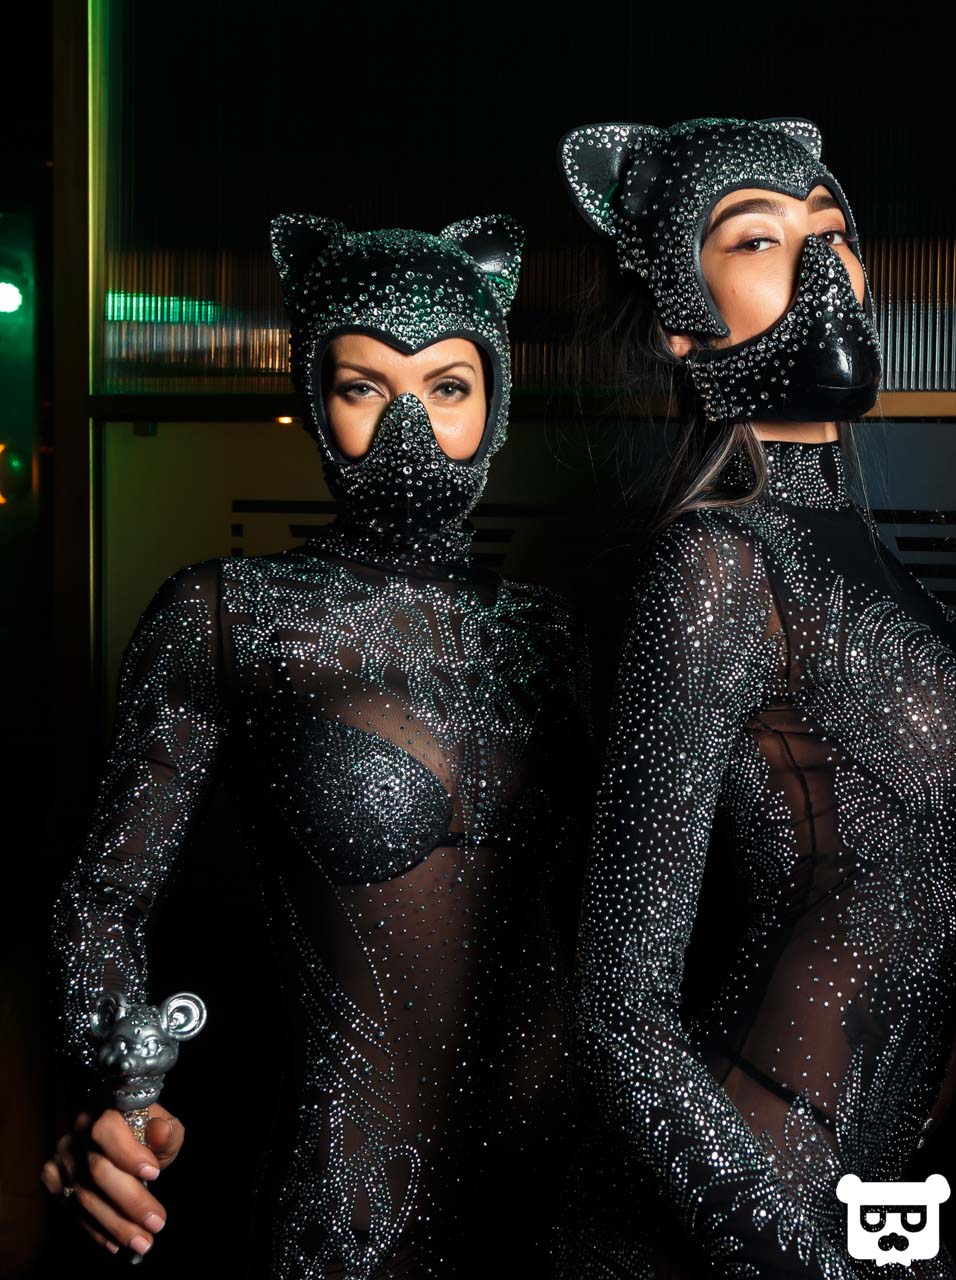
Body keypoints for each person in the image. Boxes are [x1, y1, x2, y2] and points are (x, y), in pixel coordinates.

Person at [43, 215, 592, 1277]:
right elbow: (101, 899)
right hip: (340, 1219)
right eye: (363, 386)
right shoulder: (229, 617)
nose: (409, 426)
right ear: (314, 397)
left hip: (563, 1211)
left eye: (447, 385)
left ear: (496, 400)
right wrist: (115, 1092)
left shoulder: (563, 637)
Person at [556, 116, 956, 1278]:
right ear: (680, 319)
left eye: (834, 233)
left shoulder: (864, 553)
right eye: (759, 239)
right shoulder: (717, 562)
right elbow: (617, 1008)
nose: (823, 269)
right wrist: (790, 1254)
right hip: (767, 1176)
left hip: (885, 1188)